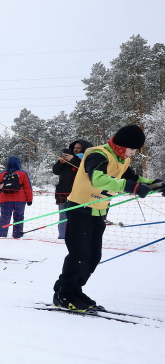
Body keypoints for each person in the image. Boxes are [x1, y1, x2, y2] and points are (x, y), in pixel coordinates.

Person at [53, 125, 162, 311]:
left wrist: (155, 184)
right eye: (133, 149)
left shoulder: (122, 160)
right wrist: (130, 187)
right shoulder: (98, 154)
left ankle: (75, 290)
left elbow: (134, 180)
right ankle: (63, 294)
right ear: (123, 145)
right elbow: (98, 179)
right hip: (80, 209)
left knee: (93, 257)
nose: (134, 154)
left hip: (99, 212)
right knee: (80, 255)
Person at [52, 140, 91, 239]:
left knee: (78, 218)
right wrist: (60, 162)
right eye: (74, 148)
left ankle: (78, 237)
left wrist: (73, 159)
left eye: (78, 148)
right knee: (63, 217)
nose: (76, 150)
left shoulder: (87, 159)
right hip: (63, 194)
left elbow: (86, 169)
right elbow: (56, 171)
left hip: (80, 195)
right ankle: (62, 237)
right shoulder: (68, 159)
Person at [0, 157, 33, 238]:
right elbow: (27, 187)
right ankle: (17, 234)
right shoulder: (23, 174)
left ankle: (0, 234)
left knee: (4, 217)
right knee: (19, 217)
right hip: (20, 200)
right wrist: (29, 200)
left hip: (5, 200)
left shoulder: (2, 174)